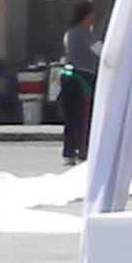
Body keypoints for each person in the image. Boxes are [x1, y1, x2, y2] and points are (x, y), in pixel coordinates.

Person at [56, 9, 101, 163]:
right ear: (86, 16)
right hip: (83, 76)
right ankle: (83, 151)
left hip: (67, 74)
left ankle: (68, 152)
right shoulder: (84, 33)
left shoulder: (69, 33)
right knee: (84, 115)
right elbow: (101, 51)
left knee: (70, 117)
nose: (94, 18)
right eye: (92, 15)